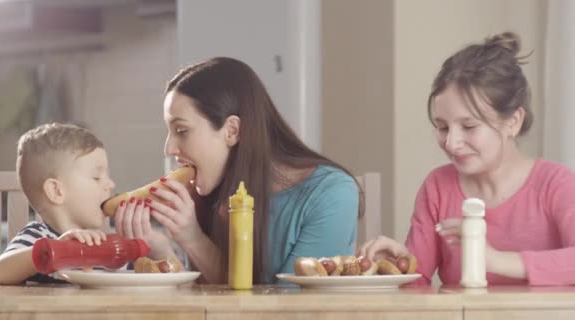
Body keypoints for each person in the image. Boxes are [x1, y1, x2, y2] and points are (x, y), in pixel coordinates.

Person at [114, 57, 361, 284]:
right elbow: (206, 302)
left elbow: (287, 308)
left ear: (231, 131)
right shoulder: (208, 194)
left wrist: (193, 238)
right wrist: (159, 248)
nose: (169, 148)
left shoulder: (332, 194)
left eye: (181, 131)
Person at [360, 31, 575, 286]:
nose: (451, 143)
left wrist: (495, 260)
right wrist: (398, 267)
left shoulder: (556, 184)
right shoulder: (438, 187)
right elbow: (417, 284)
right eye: (442, 127)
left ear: (513, 122)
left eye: (469, 126)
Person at [0, 123, 117, 285]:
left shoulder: (103, 242)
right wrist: (54, 249)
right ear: (57, 191)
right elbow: (0, 273)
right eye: (96, 177)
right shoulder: (38, 237)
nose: (111, 184)